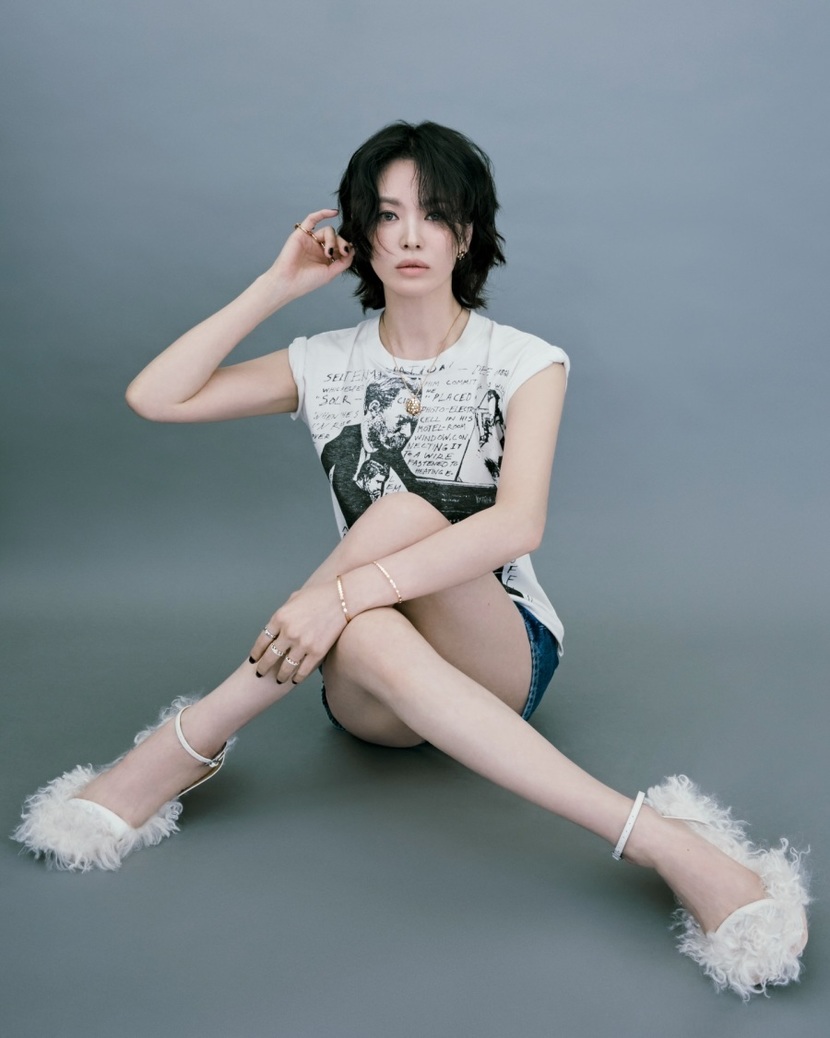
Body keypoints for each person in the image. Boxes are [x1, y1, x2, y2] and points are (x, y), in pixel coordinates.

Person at [14, 121, 808, 999]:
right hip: (367, 683)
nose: (410, 236)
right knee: (366, 621)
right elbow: (154, 397)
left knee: (398, 516)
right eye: (387, 215)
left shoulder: (524, 361)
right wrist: (279, 285)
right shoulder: (324, 363)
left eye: (434, 214)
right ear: (361, 235)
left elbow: (517, 527)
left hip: (497, 649)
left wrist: (339, 593)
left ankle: (189, 743)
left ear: (467, 232)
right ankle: (663, 837)